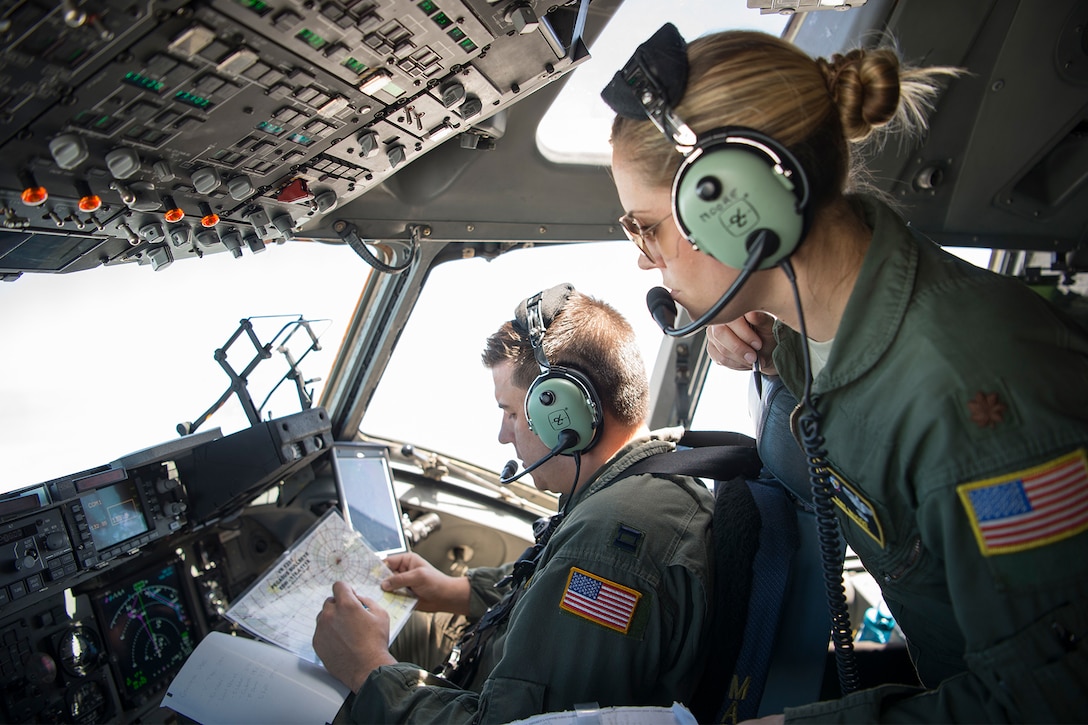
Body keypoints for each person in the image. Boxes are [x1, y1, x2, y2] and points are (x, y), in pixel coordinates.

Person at [603, 23, 1088, 723]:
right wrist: (750, 340)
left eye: (648, 227)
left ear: (739, 207)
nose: (645, 260)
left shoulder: (973, 397)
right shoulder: (807, 329)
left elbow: (1055, 700)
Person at [313, 284, 717, 723]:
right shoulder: (637, 484)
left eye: (510, 413)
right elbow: (548, 582)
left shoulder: (609, 544)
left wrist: (367, 668)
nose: (504, 436)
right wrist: (455, 590)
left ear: (563, 412)